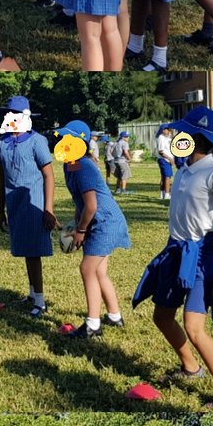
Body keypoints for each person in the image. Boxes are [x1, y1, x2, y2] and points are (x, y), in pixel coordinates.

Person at [132, 105, 213, 408]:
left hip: (203, 254)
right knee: (162, 316)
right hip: (175, 250)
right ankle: (191, 369)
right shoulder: (183, 170)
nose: (177, 135)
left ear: (196, 137)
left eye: (182, 132)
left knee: (194, 327)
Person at [52, 120, 130, 341]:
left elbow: (92, 205)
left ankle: (93, 326)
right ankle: (114, 316)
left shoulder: (83, 166)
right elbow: (81, 203)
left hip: (105, 223)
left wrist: (81, 230)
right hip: (99, 222)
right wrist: (75, 226)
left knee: (87, 269)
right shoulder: (71, 165)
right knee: (98, 271)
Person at [0, 95, 58, 316]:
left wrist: (48, 208)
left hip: (34, 205)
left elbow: (49, 176)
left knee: (33, 254)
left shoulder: (37, 141)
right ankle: (32, 293)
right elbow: (2, 178)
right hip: (14, 205)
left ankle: (40, 302)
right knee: (25, 251)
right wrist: (1, 209)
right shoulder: (2, 143)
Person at [157, 126, 175, 200]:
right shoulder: (161, 138)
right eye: (167, 130)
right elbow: (160, 152)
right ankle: (167, 194)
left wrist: (172, 132)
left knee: (164, 177)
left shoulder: (167, 137)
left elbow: (173, 139)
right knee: (167, 177)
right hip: (164, 159)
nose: (169, 131)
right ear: (163, 130)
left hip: (167, 160)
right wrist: (170, 159)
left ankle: (162, 194)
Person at [114, 130, 132, 195]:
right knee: (124, 175)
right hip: (122, 161)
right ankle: (123, 190)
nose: (128, 138)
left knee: (119, 176)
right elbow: (125, 152)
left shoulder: (117, 143)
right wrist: (129, 159)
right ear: (122, 137)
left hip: (116, 160)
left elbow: (112, 151)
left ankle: (117, 189)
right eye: (126, 137)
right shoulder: (125, 143)